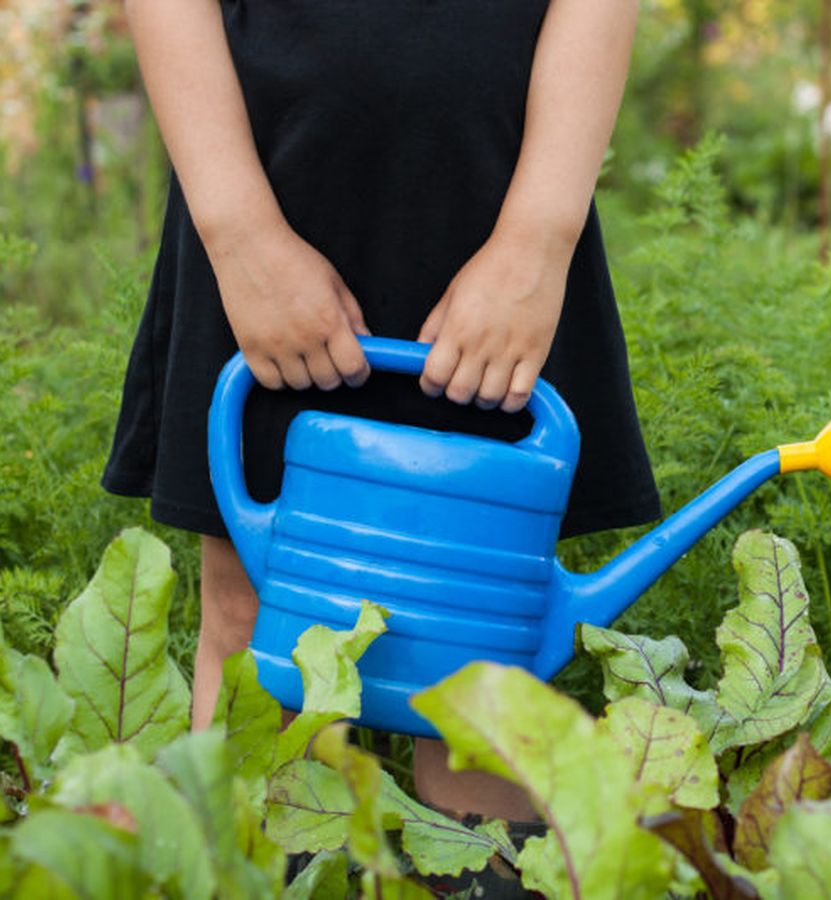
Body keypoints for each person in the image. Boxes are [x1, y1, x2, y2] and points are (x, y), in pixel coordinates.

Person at [103, 0, 659, 858]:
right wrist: (240, 233)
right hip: (266, 190)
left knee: (477, 637)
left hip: (495, 201)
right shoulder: (247, 228)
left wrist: (536, 242)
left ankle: (485, 871)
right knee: (260, 608)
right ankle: (262, 868)